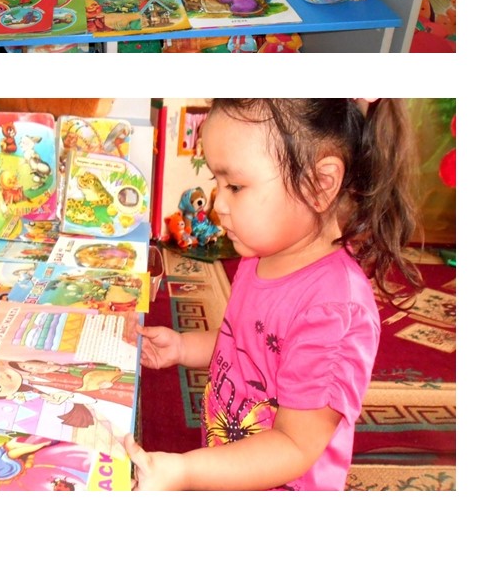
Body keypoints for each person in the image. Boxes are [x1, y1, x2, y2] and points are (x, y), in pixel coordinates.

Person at [126, 98, 422, 491]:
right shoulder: (262, 255)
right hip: (234, 463)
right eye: (217, 182)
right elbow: (243, 343)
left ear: (320, 184)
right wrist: (182, 347)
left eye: (235, 186)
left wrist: (185, 471)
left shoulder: (333, 309)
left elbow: (294, 444)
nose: (218, 204)